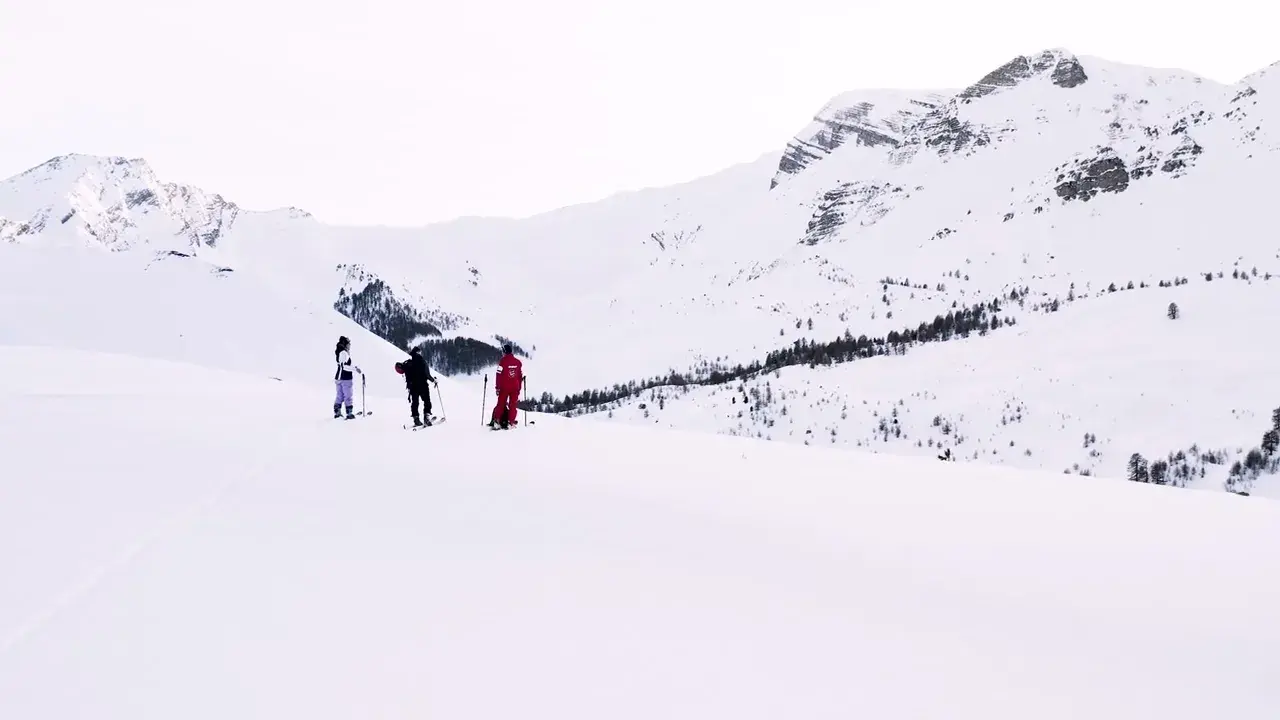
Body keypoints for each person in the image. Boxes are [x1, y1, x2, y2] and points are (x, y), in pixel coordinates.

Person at [396, 346, 439, 427]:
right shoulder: (422, 362)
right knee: (426, 401)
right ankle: (426, 417)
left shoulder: (409, 363)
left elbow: (401, 368)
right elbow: (427, 374)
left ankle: (416, 419)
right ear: (418, 352)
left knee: (415, 403)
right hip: (423, 385)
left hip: (412, 387)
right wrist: (434, 380)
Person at [490, 343, 523, 429]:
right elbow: (520, 376)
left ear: (504, 352)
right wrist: (519, 387)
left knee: (501, 404)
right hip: (515, 387)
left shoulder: (502, 362)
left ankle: (497, 421)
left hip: (504, 387)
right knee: (513, 406)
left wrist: (497, 387)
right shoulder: (518, 362)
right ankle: (510, 422)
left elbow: (498, 375)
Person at [333, 335, 362, 418]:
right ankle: (349, 413)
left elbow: (341, 366)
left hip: (338, 377)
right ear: (345, 344)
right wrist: (355, 369)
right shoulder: (343, 353)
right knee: (348, 395)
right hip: (345, 378)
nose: (349, 346)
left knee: (340, 395)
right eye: (348, 344)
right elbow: (344, 366)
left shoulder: (340, 352)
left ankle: (337, 412)